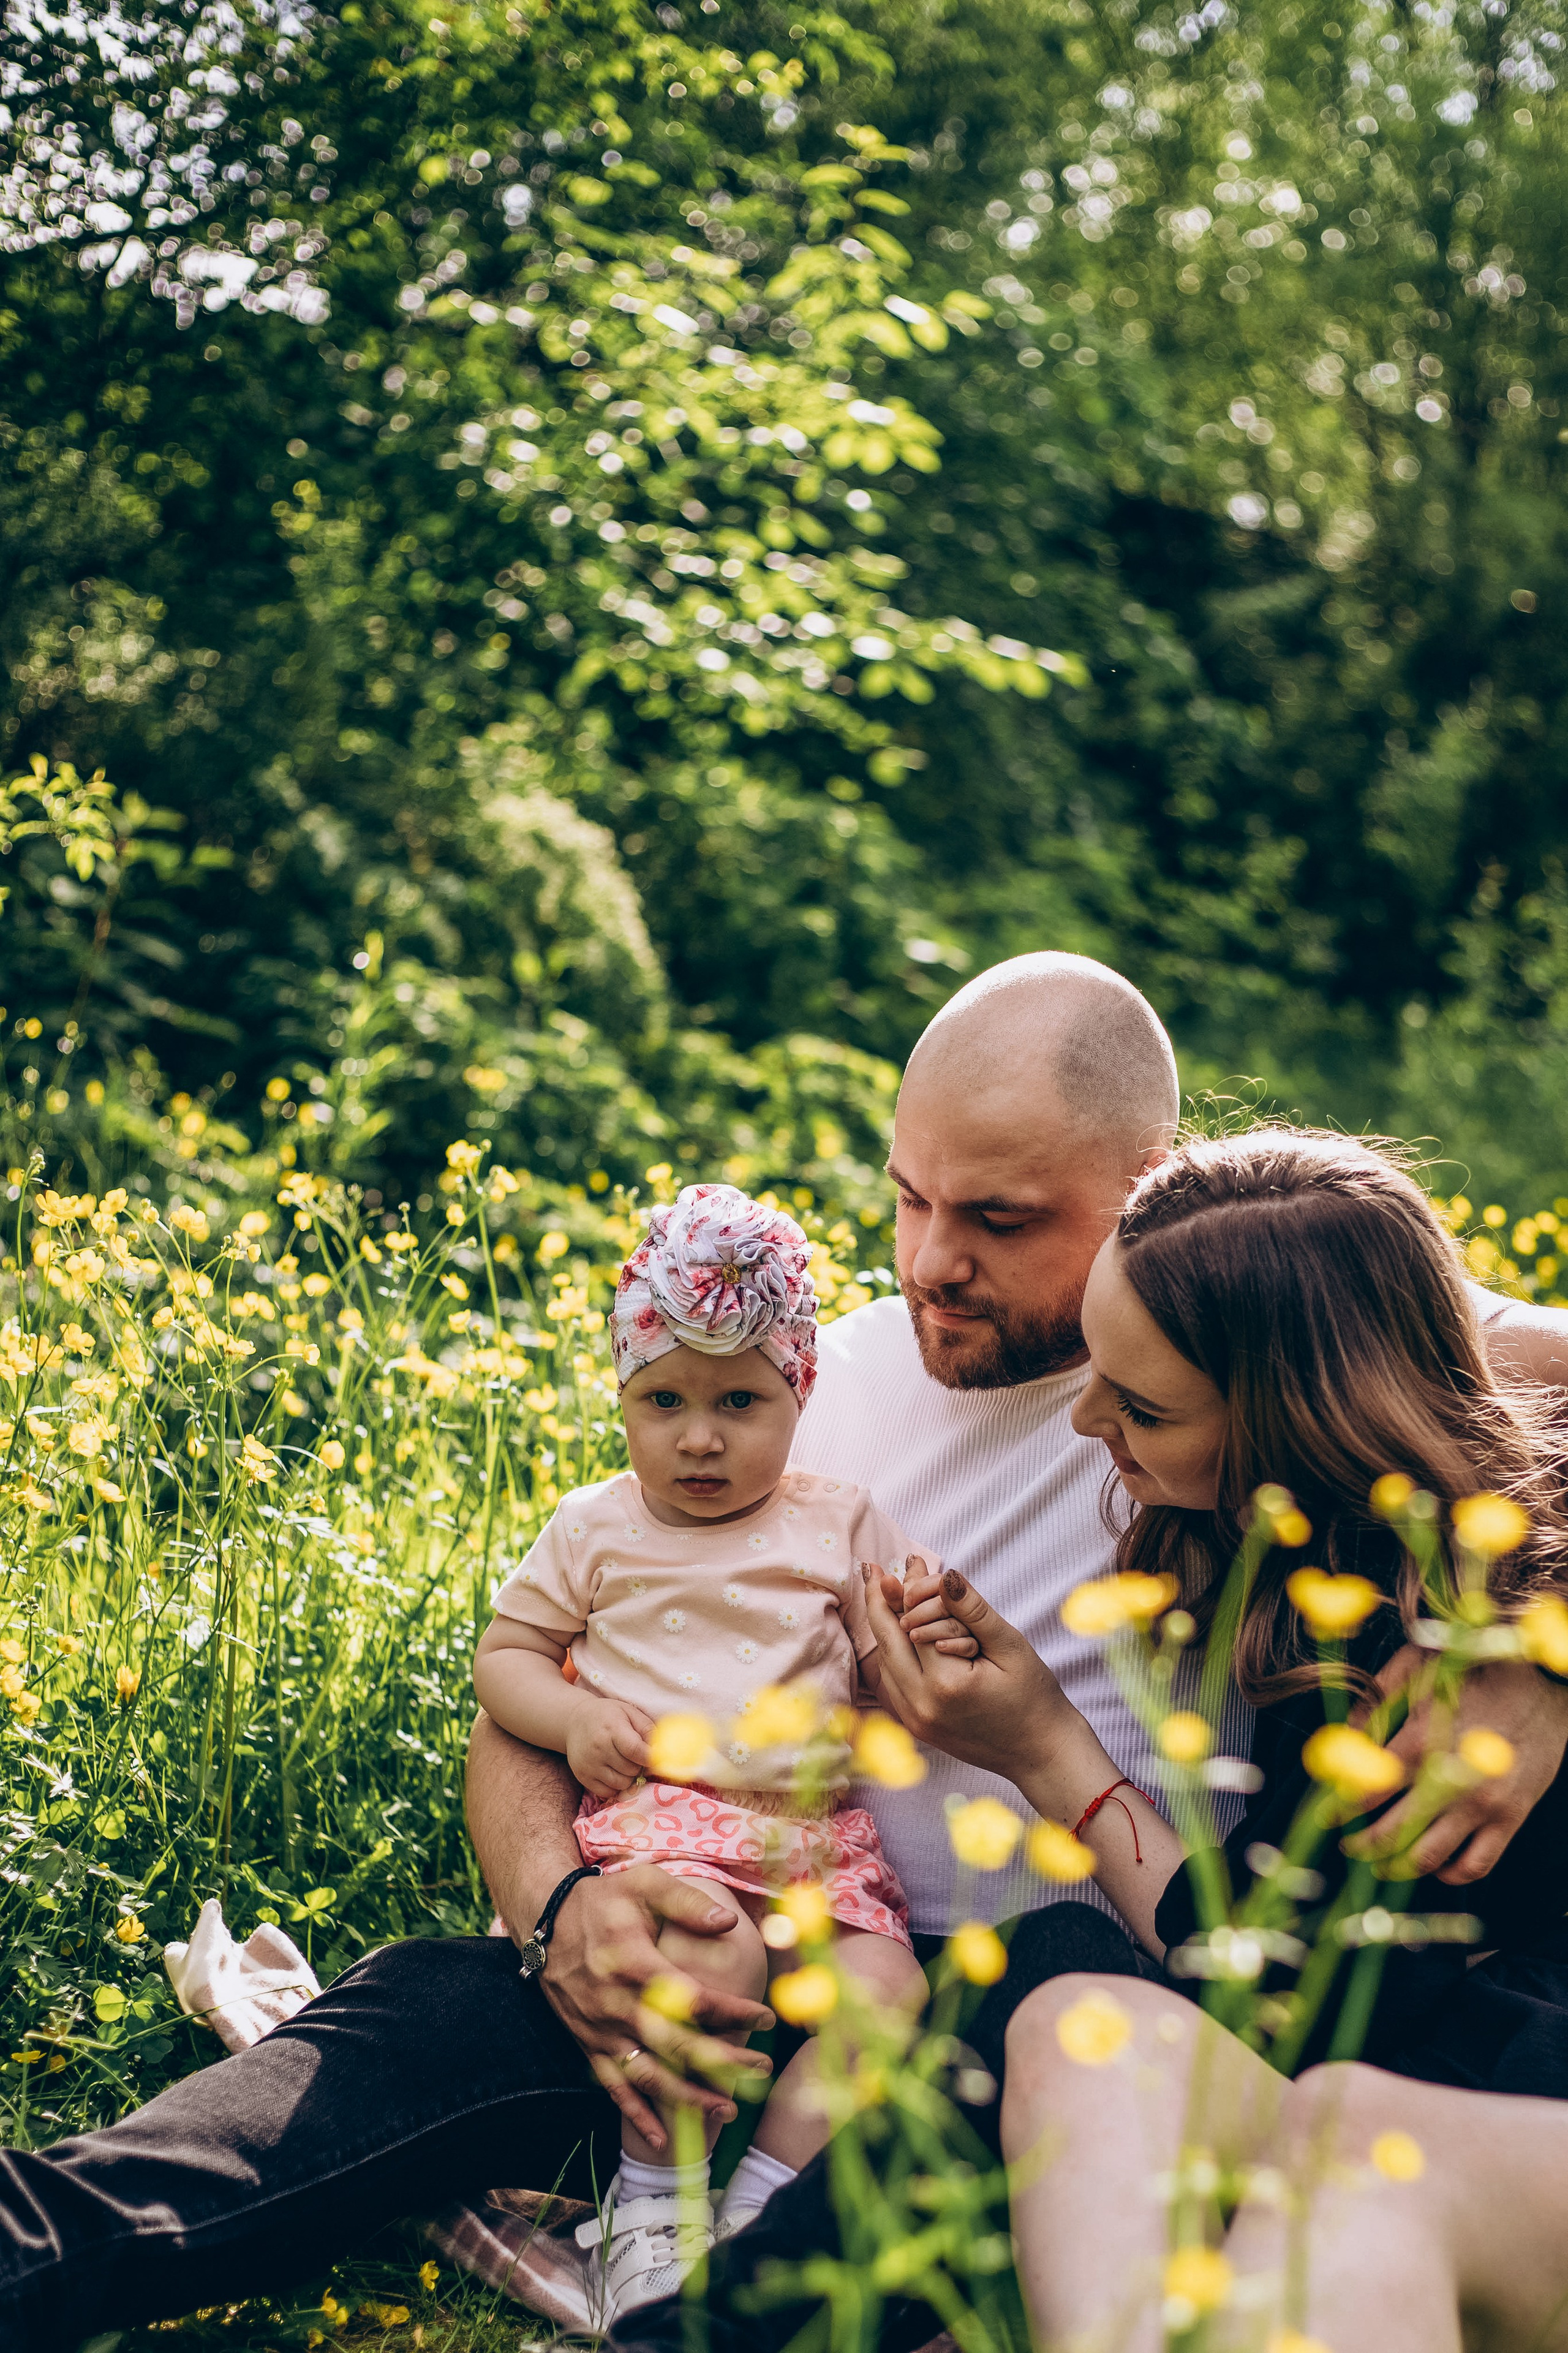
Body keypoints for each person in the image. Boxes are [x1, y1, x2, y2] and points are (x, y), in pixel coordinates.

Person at [2, 957, 1566, 2352]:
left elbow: (1458, 1390)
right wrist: (563, 1906)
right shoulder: (792, 1388)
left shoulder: (1237, 1336)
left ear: (1147, 1185)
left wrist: (1530, 1627)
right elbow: (538, 1684)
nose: (931, 1259)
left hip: (978, 2029)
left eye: (999, 1219)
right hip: (711, 1938)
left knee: (1034, 2001)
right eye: (908, 1196)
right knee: (403, 2032)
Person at [612, 1125, 1568, 2353]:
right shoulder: (1318, 1553)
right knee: (1060, 1974)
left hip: (1494, 2102)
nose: (1083, 1421)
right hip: (1382, 2071)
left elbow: (1274, 1987)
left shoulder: (1433, 1647)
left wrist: (1048, 1752)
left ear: (1298, 1420)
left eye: (1142, 1405)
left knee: (1096, 1992)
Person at [472, 1182, 935, 2316]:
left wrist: (915, 1658)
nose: (699, 1436)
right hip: (665, 1828)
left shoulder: (839, 1518)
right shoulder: (596, 1526)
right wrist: (575, 1720)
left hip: (815, 1845)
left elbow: (895, 1649)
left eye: (740, 1399)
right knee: (707, 1952)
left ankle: (761, 2199)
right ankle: (655, 2196)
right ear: (623, 1400)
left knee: (888, 1989)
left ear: (799, 1394)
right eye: (663, 1399)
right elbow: (506, 1659)